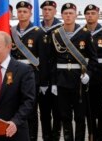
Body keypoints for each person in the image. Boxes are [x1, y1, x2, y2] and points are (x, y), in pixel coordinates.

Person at [51, 3, 98, 141]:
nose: (68, 16)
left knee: (79, 116)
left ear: (76, 15)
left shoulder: (84, 33)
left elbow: (93, 60)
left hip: (79, 81)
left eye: (71, 13)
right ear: (61, 15)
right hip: (61, 80)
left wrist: (88, 75)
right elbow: (52, 61)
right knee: (64, 116)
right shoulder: (56, 34)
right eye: (65, 13)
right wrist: (53, 82)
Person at [10, 1, 46, 141]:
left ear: (30, 14)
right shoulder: (11, 32)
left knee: (30, 111)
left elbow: (43, 59)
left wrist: (43, 81)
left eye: (25, 11)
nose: (22, 14)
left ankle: (32, 138)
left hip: (32, 76)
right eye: (19, 11)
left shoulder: (38, 33)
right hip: (13, 76)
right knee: (14, 108)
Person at [84, 4, 102, 141]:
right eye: (88, 13)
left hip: (100, 77)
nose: (90, 15)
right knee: (88, 109)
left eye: (93, 13)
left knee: (101, 110)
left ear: (98, 15)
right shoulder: (81, 32)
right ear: (84, 16)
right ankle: (91, 135)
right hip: (86, 76)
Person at [39, 1, 62, 141]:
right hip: (42, 76)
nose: (47, 12)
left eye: (49, 9)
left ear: (55, 11)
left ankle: (56, 137)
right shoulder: (37, 28)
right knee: (44, 112)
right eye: (45, 9)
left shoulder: (61, 29)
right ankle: (47, 137)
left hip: (58, 77)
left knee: (58, 112)